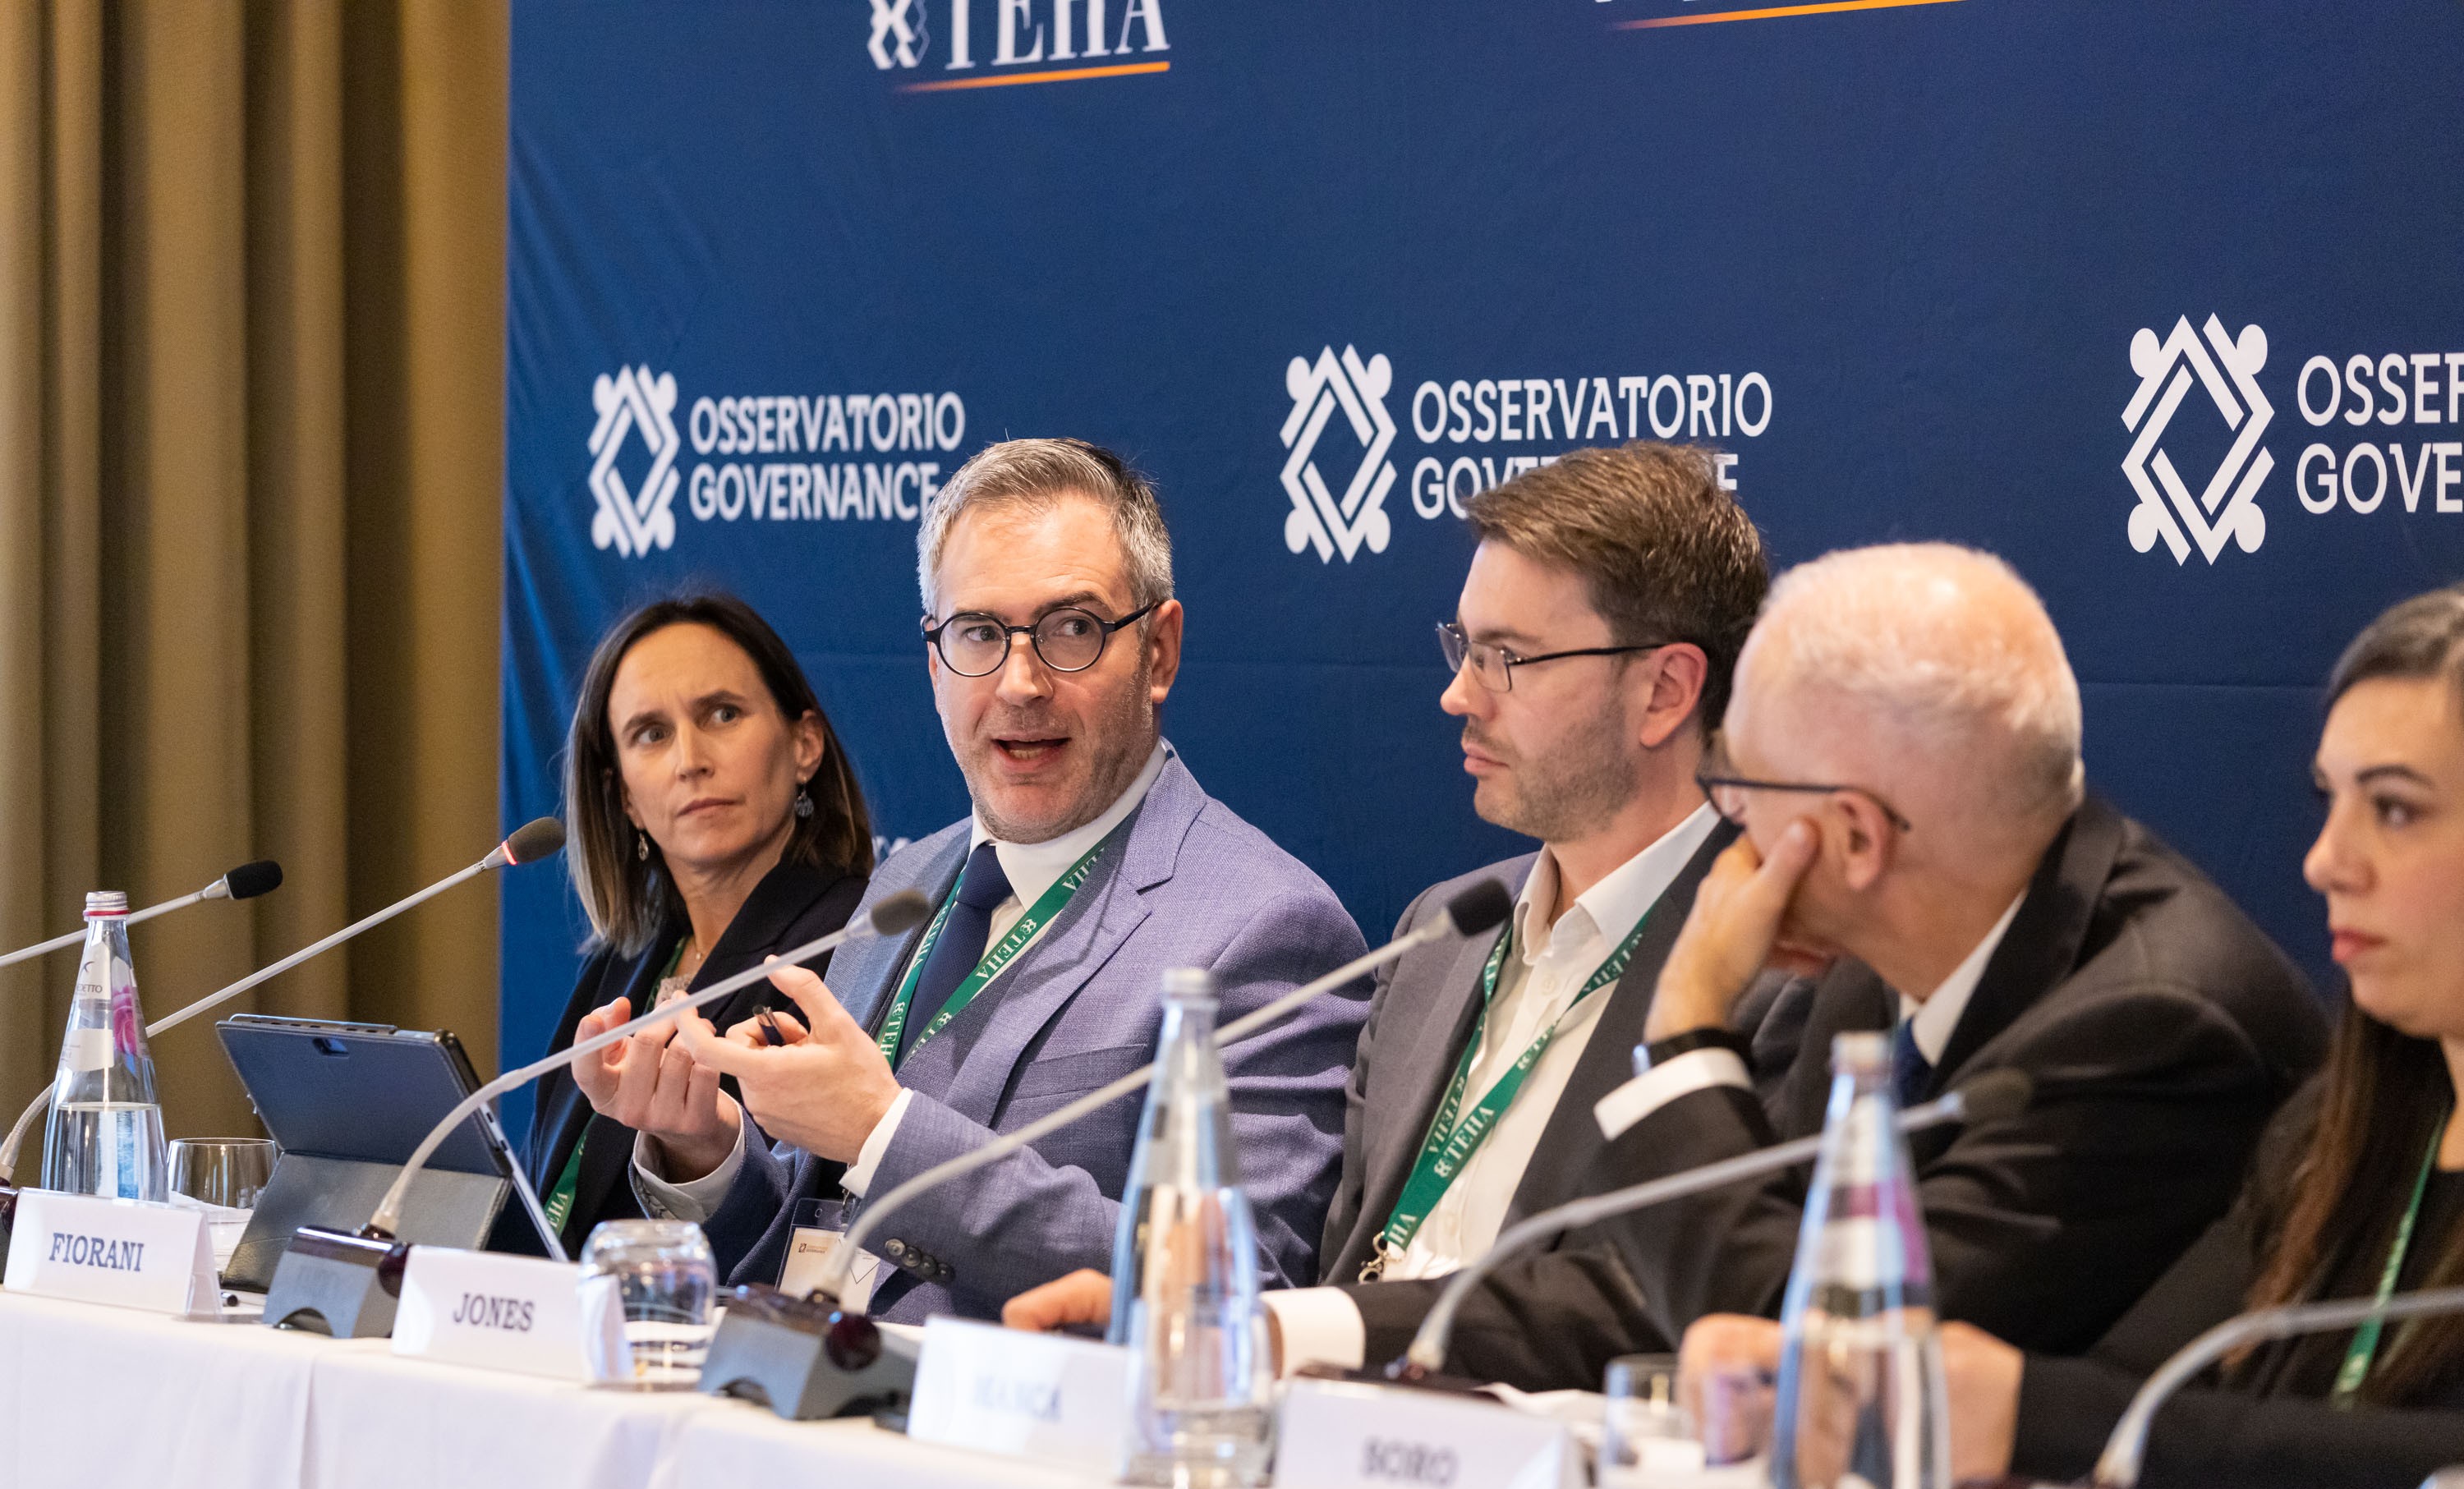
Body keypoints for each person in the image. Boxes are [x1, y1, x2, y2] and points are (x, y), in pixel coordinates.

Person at [1292, 542, 2326, 1390]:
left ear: (1857, 840)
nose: (1725, 826)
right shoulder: (1879, 964)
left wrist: (1687, 1022)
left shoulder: (2155, 1023)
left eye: (1742, 789)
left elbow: (1816, 1358)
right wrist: (1310, 1329)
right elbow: (1690, 1284)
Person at [1685, 584, 2464, 1489]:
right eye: (2329, 801)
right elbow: (2142, 1391)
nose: (2327, 861)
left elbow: (2141, 1430)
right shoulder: (2329, 1137)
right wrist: (1874, 1381)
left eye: (2395, 810)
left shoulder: (2167, 1014)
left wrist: (2017, 1410)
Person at [1003, 443, 1773, 1374]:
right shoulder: (1439, 938)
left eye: (1507, 659)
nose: (1457, 694)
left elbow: (1662, 1303)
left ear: (1665, 691)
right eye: (1464, 648)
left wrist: (1276, 1333)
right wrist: (1185, 1312)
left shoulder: (1779, 974)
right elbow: (1338, 1264)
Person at [637, 438, 1368, 1322]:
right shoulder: (903, 884)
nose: (1021, 684)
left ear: (1159, 653)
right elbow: (821, 1221)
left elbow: (1236, 1287)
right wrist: (704, 1149)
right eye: (980, 634)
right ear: (934, 662)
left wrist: (884, 1130)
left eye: (1072, 630)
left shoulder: (1267, 927)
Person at [502, 592, 872, 1258]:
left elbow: (825, 1230)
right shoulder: (622, 962)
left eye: (722, 714)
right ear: (625, 798)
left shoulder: (854, 945)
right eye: (652, 733)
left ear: (805, 746)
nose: (690, 759)